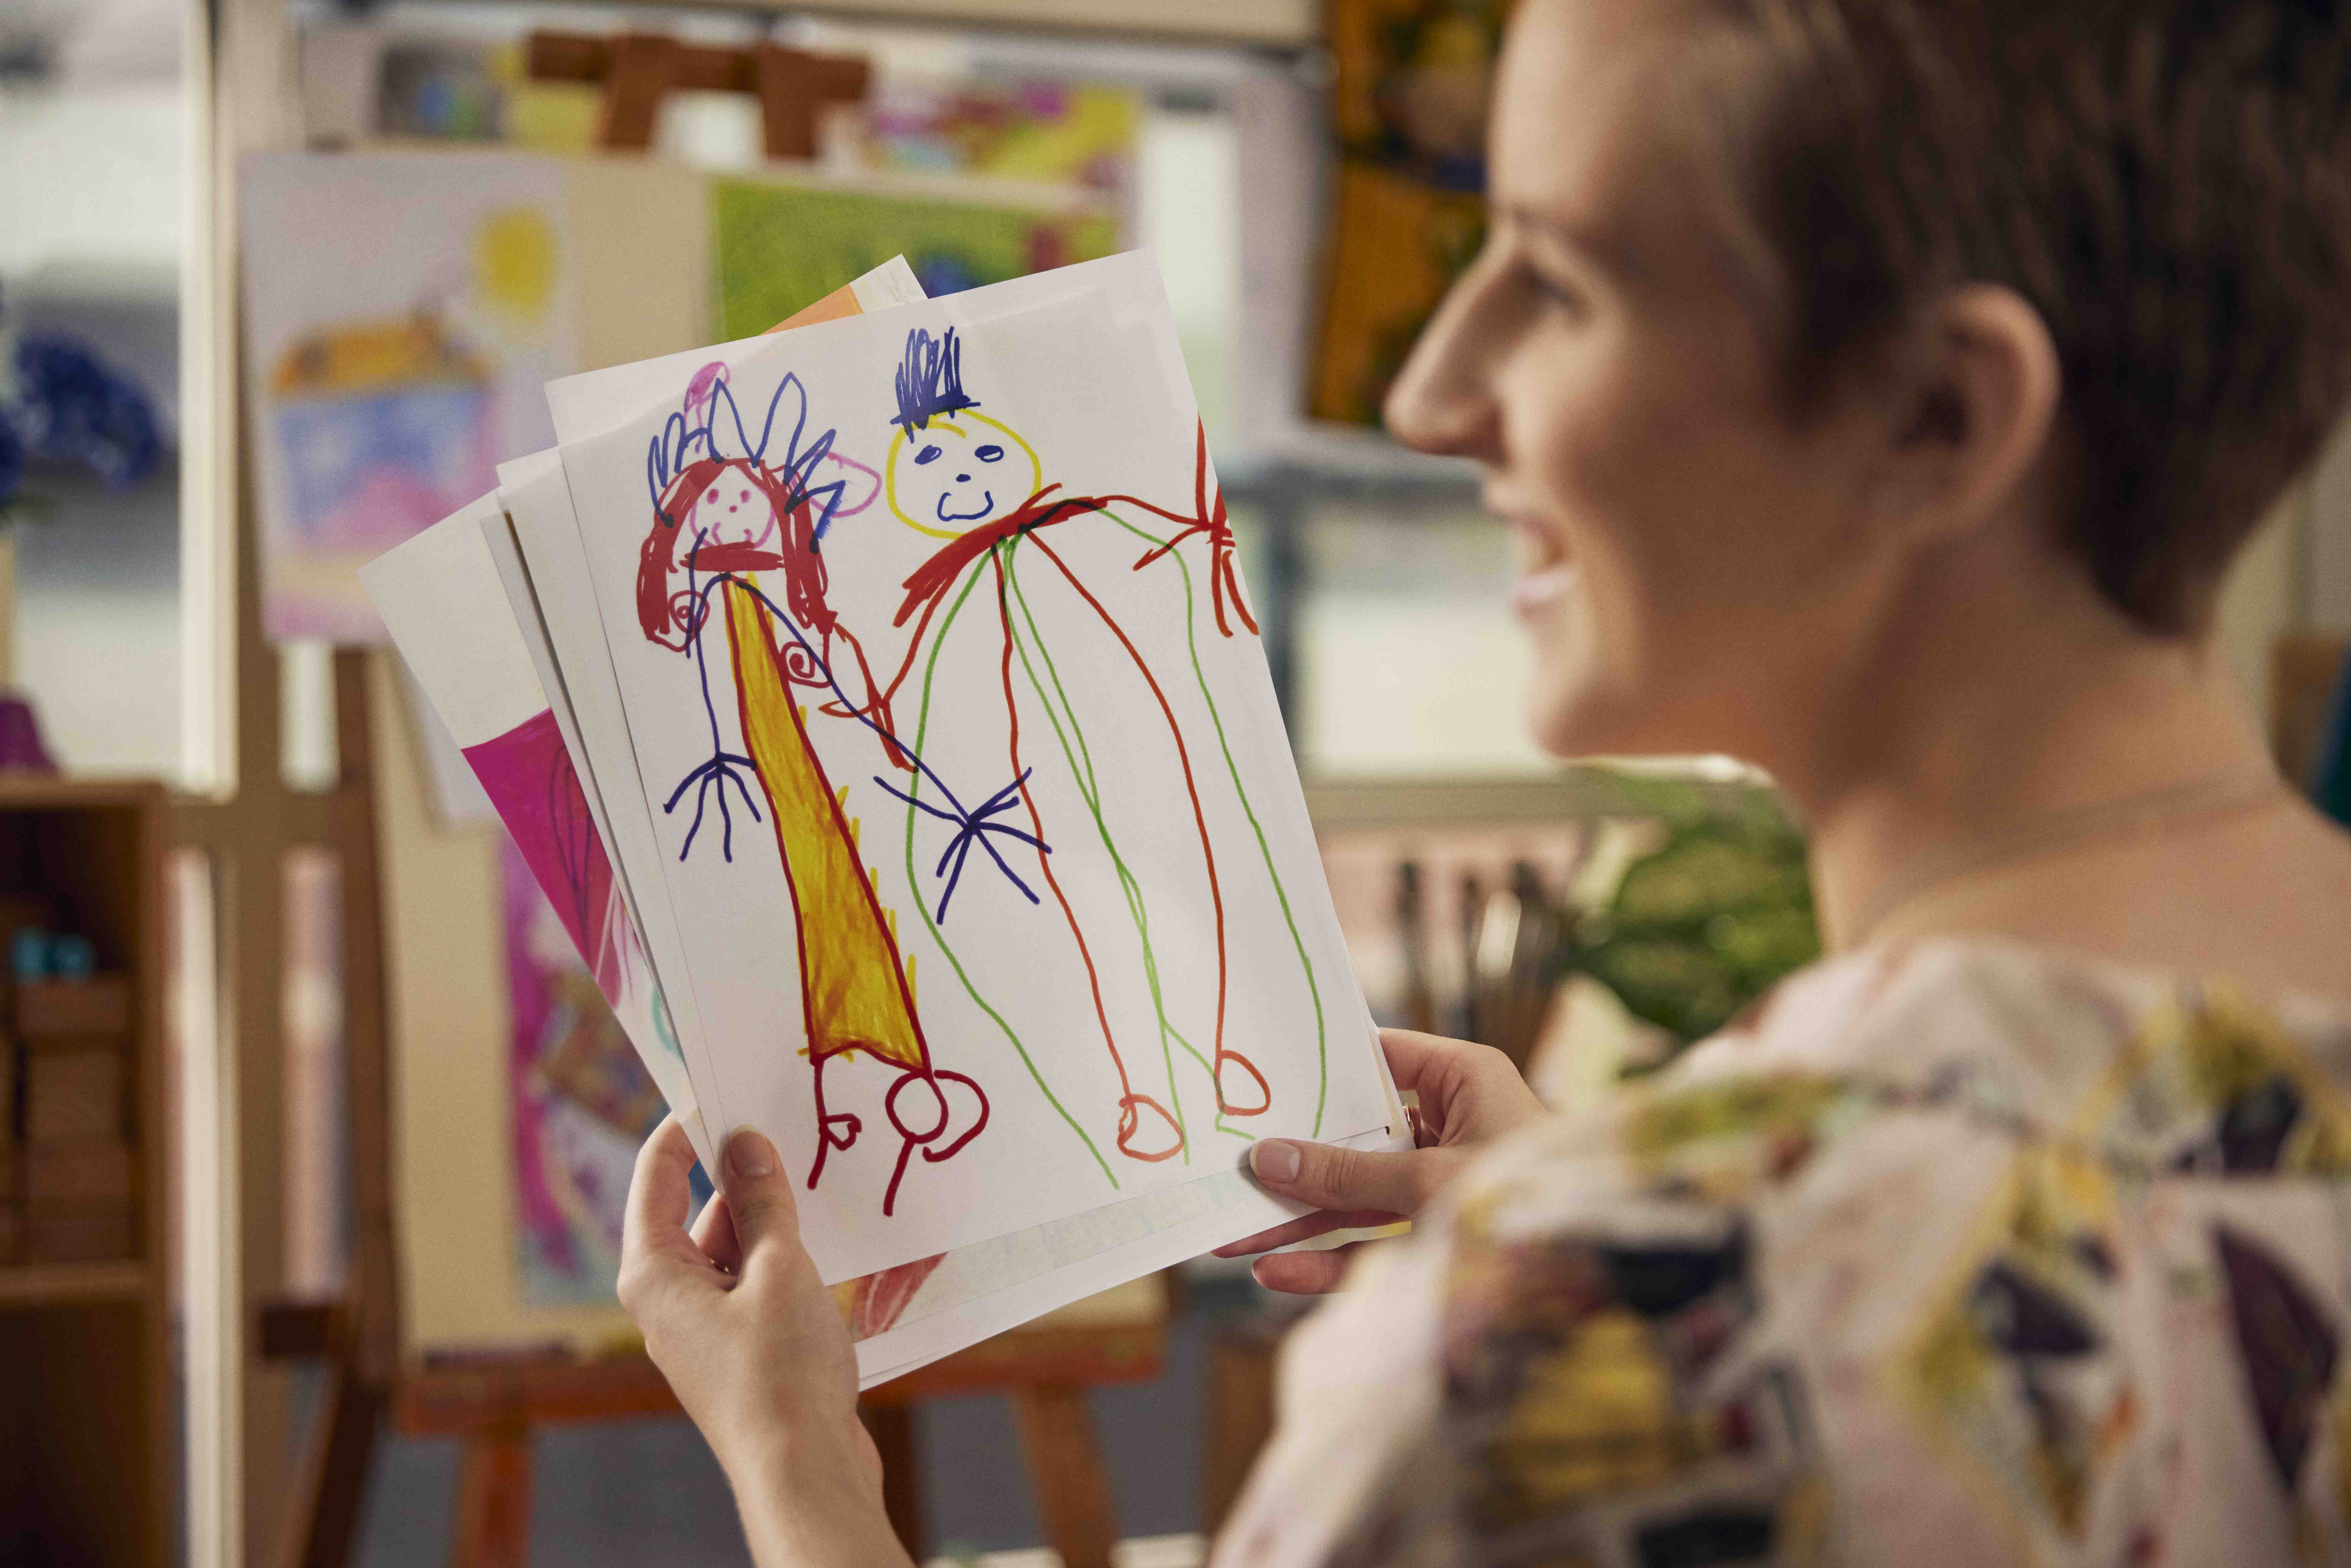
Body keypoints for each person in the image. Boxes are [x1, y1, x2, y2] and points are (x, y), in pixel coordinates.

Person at [614, 0, 2351, 1561]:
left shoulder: (1595, 1360)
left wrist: (805, 1473)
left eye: (1560, 280)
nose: (1432, 391)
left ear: (1938, 419)